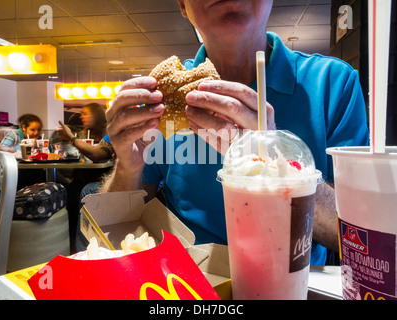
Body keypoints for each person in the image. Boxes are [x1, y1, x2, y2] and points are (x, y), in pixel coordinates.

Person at [100, 0, 369, 265]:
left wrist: (274, 162)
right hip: (185, 284)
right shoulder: (160, 105)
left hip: (292, 282)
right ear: (183, 5)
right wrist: (127, 168)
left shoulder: (333, 84)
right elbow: (113, 229)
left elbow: (363, 239)